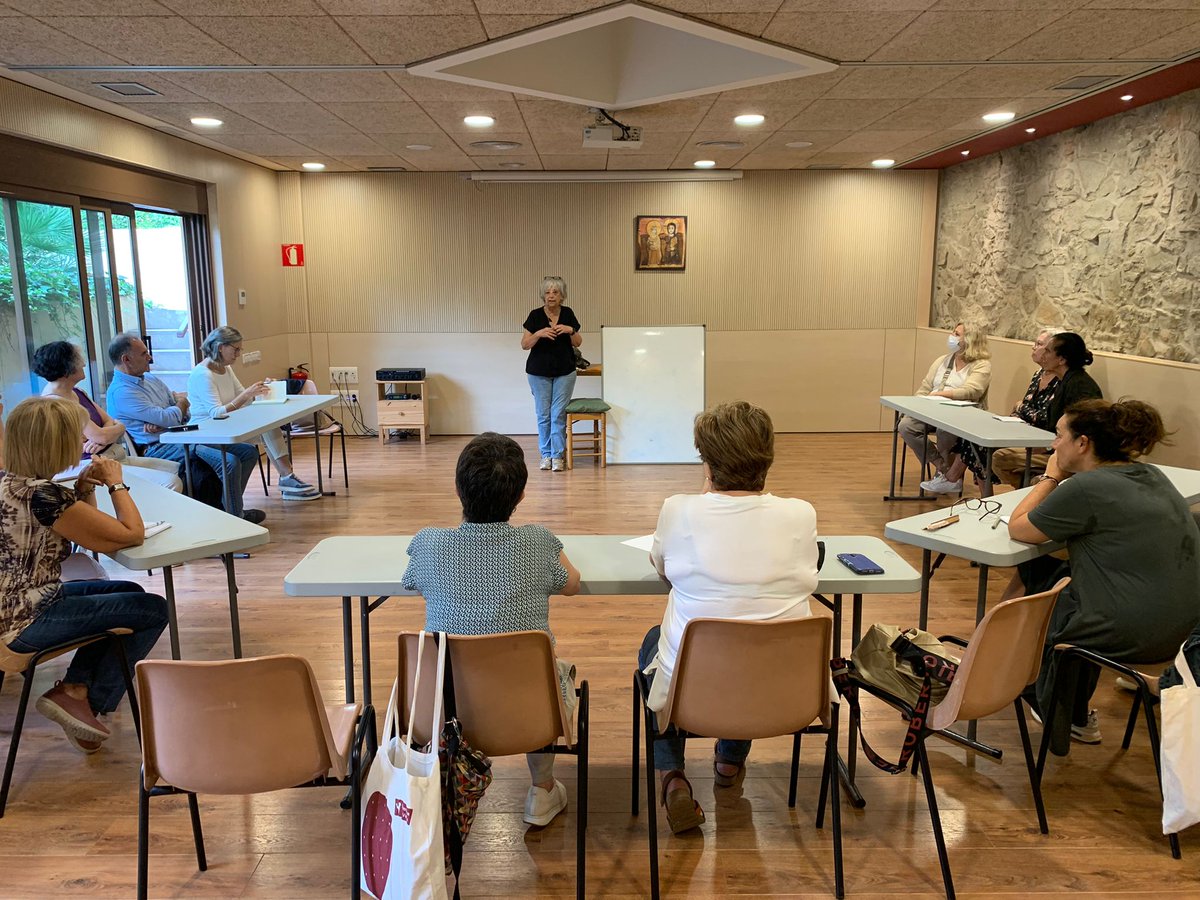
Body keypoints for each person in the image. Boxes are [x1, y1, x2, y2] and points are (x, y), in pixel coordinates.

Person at [637, 401, 820, 834]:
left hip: (692, 687)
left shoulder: (679, 510)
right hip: (785, 690)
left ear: (708, 463)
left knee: (654, 643)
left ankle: (672, 775)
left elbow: (662, 567)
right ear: (767, 458)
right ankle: (728, 763)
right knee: (754, 638)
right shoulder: (801, 513)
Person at [401, 432, 582, 827]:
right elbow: (571, 582)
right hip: (530, 710)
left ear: (457, 488)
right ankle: (543, 788)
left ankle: (436, 787)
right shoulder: (537, 541)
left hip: (446, 708)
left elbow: (409, 580)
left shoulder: (429, 544)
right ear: (519, 496)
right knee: (550, 673)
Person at [1007, 399, 1200, 756]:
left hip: (1133, 632)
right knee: (1059, 572)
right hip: (1184, 635)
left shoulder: (1085, 488)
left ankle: (1055, 704)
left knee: (1048, 583)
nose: (1053, 445)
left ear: (1082, 443)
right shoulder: (1151, 474)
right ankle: (1049, 688)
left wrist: (1051, 477)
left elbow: (1020, 528)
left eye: (1059, 435)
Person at [1, 396, 168, 753]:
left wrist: (83, 489)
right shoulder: (43, 496)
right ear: (56, 443)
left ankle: (75, 689)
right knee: (153, 609)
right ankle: (88, 701)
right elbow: (129, 535)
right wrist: (116, 484)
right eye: (75, 437)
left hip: (17, 605)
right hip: (25, 622)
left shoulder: (12, 483)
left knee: (125, 592)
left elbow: (87, 535)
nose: (82, 443)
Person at [106, 333, 264, 524]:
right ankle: (234, 519)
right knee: (229, 461)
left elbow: (181, 406)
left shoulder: (149, 379)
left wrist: (175, 410)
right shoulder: (121, 392)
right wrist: (174, 411)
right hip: (160, 446)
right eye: (144, 353)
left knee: (247, 452)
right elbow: (172, 414)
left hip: (182, 434)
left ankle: (226, 509)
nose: (150, 357)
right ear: (126, 359)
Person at [187, 326, 319, 501]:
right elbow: (216, 412)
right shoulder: (202, 374)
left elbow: (246, 399)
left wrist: (264, 389)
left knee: (268, 424)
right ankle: (286, 478)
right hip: (208, 431)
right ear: (221, 347)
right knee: (266, 427)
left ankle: (287, 477)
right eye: (236, 349)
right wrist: (247, 394)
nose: (238, 354)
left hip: (225, 424)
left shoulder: (226, 368)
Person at [32, 340, 183, 492]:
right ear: (66, 368)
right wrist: (108, 433)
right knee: (171, 482)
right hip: (92, 466)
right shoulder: (58, 403)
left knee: (177, 469)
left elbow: (109, 424)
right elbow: (103, 434)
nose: (84, 364)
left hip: (113, 455)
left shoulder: (76, 392)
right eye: (78, 360)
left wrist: (106, 434)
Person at [939, 328, 1061, 494]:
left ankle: (954, 479)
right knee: (975, 436)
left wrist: (1020, 407)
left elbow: (1041, 416)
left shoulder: (1061, 381)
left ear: (1056, 353)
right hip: (1023, 428)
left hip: (1042, 440)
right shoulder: (1039, 374)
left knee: (980, 445)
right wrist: (1018, 412)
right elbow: (1026, 407)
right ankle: (983, 496)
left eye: (1040, 345)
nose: (1034, 347)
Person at [990, 332, 1103, 488]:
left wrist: (1048, 447)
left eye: (1048, 351)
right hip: (1053, 445)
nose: (1043, 354)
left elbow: (1081, 433)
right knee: (998, 455)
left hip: (1070, 454)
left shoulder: (1080, 387)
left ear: (1062, 360)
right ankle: (1032, 491)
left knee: (1001, 458)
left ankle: (1035, 492)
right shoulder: (1066, 381)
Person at [901, 322, 992, 495]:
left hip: (963, 415)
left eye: (956, 334)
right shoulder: (943, 360)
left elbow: (973, 390)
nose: (951, 336)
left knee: (946, 430)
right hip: (932, 409)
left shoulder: (982, 365)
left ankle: (949, 478)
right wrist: (914, 405)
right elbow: (925, 387)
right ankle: (942, 467)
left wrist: (942, 394)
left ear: (969, 339)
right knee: (906, 426)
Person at [521, 276, 582, 472]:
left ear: (562, 296)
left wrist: (570, 330)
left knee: (558, 414)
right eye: (547, 292)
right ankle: (545, 455)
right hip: (538, 373)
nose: (551, 296)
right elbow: (524, 344)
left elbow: (578, 342)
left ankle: (557, 456)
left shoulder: (568, 313)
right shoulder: (535, 315)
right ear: (543, 296)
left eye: (555, 292)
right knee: (543, 415)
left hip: (565, 371)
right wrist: (538, 334)